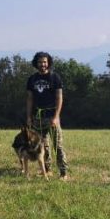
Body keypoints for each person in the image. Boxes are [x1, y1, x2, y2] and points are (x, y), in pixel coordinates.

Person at [26, 51, 69, 180]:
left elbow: (59, 98)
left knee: (58, 146)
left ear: (48, 62)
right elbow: (29, 98)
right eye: (40, 62)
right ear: (36, 63)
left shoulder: (55, 78)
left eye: (45, 62)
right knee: (42, 145)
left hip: (52, 117)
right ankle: (47, 169)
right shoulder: (32, 79)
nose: (42, 64)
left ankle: (63, 173)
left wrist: (56, 117)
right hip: (38, 117)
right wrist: (29, 116)